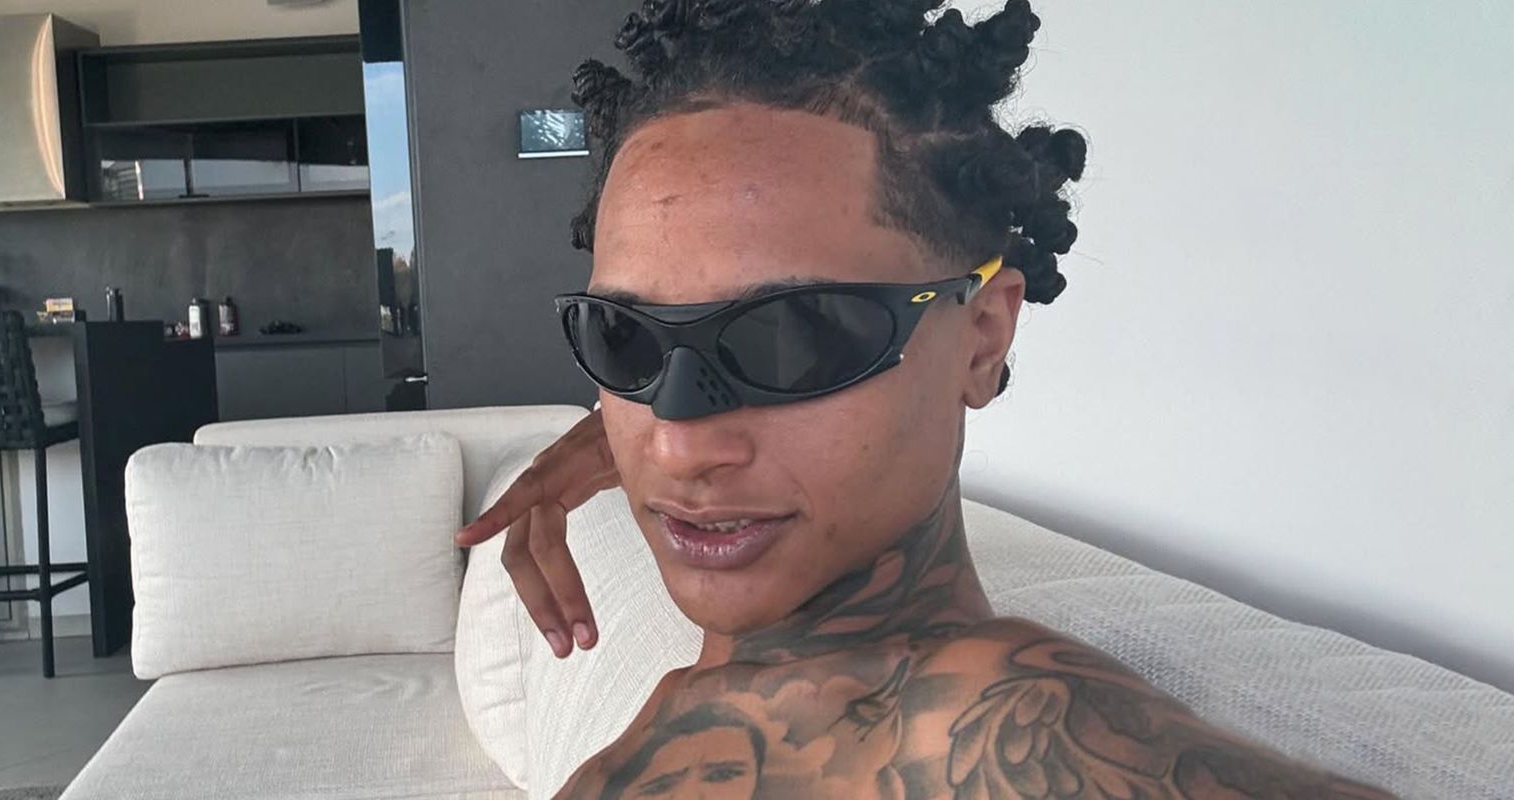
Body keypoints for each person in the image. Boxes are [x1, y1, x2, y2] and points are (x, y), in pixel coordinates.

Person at [457, 1, 1396, 796]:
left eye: (796, 336)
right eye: (623, 335)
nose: (678, 445)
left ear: (981, 338)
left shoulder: (998, 734)